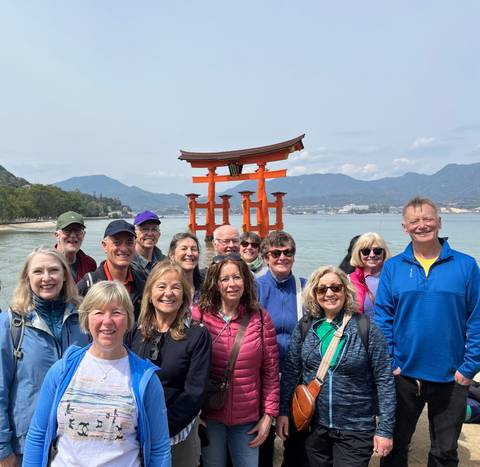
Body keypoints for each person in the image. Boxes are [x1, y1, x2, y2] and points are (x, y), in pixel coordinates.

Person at [375, 196, 480, 467]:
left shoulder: (466, 265)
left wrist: (469, 367)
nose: (422, 225)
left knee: (444, 452)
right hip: (404, 376)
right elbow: (383, 318)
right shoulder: (393, 267)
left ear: (439, 222)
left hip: (452, 376)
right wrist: (391, 362)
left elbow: (477, 319)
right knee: (395, 447)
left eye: (428, 219)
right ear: (404, 227)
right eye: (415, 221)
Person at [23, 281, 171, 467]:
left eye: (116, 313)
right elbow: (37, 436)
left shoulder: (146, 379)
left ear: (128, 320)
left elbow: (159, 448)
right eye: (99, 312)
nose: (107, 321)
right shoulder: (62, 371)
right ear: (86, 318)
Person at [278, 265, 395, 467]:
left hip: (356, 428)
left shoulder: (366, 328)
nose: (329, 293)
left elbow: (384, 380)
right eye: (322, 289)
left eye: (335, 287)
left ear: (345, 290)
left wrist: (385, 429)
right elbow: (291, 371)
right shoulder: (306, 326)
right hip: (313, 426)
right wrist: (283, 412)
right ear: (314, 294)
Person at [0, 247, 89, 466]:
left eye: (53, 270)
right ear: (27, 278)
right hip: (26, 444)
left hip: (76, 442)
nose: (46, 278)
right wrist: (3, 448)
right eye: (38, 271)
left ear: (65, 275)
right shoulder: (11, 323)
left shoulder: (84, 318)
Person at [192, 254, 279, 467]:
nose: (232, 284)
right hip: (210, 416)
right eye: (225, 279)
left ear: (246, 281)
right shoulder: (199, 316)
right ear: (215, 283)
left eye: (237, 277)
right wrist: (193, 413)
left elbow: (270, 370)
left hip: (247, 419)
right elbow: (188, 369)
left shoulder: (260, 318)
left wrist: (269, 415)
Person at [128, 261, 211, 466]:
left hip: (177, 435)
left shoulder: (197, 334)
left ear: (184, 294)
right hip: (134, 432)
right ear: (150, 292)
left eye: (175, 287)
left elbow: (194, 393)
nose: (168, 293)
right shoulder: (135, 332)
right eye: (161, 286)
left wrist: (159, 427)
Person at [255, 230, 307, 467]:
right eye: (276, 253)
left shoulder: (304, 288)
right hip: (263, 376)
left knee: (297, 444)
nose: (282, 257)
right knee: (261, 443)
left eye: (288, 253)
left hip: (297, 376)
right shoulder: (255, 288)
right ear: (266, 257)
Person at [77, 219, 146, 320]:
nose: (123, 248)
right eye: (117, 243)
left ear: (134, 246)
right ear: (104, 246)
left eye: (129, 242)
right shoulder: (88, 285)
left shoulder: (142, 282)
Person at [349, 232, 391, 318]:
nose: (372, 255)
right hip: (362, 329)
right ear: (358, 254)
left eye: (377, 251)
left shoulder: (394, 277)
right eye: (366, 251)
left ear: (384, 252)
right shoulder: (349, 280)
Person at [54, 211, 96, 283]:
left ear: (83, 235)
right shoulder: (45, 263)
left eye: (77, 230)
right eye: (67, 230)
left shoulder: (90, 264)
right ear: (57, 235)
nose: (73, 235)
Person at [168, 232, 204, 304]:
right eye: (184, 249)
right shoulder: (167, 289)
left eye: (193, 249)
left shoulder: (206, 287)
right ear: (172, 255)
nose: (189, 253)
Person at [132, 210, 166, 277]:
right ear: (134, 233)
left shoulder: (166, 263)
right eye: (145, 229)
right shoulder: (127, 264)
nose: (150, 234)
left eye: (154, 229)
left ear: (159, 234)